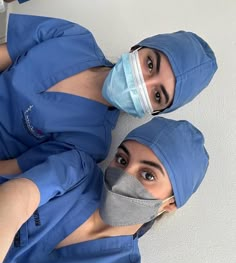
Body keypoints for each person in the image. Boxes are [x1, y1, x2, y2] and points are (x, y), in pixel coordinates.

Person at [0, 14, 216, 211]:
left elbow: (13, 168)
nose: (144, 82)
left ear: (155, 110)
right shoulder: (74, 37)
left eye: (157, 95)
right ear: (138, 48)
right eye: (150, 64)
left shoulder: (90, 143)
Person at [0, 116, 209, 263]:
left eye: (148, 175)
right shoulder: (77, 170)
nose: (123, 177)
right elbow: (17, 196)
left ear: (170, 203)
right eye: (122, 159)